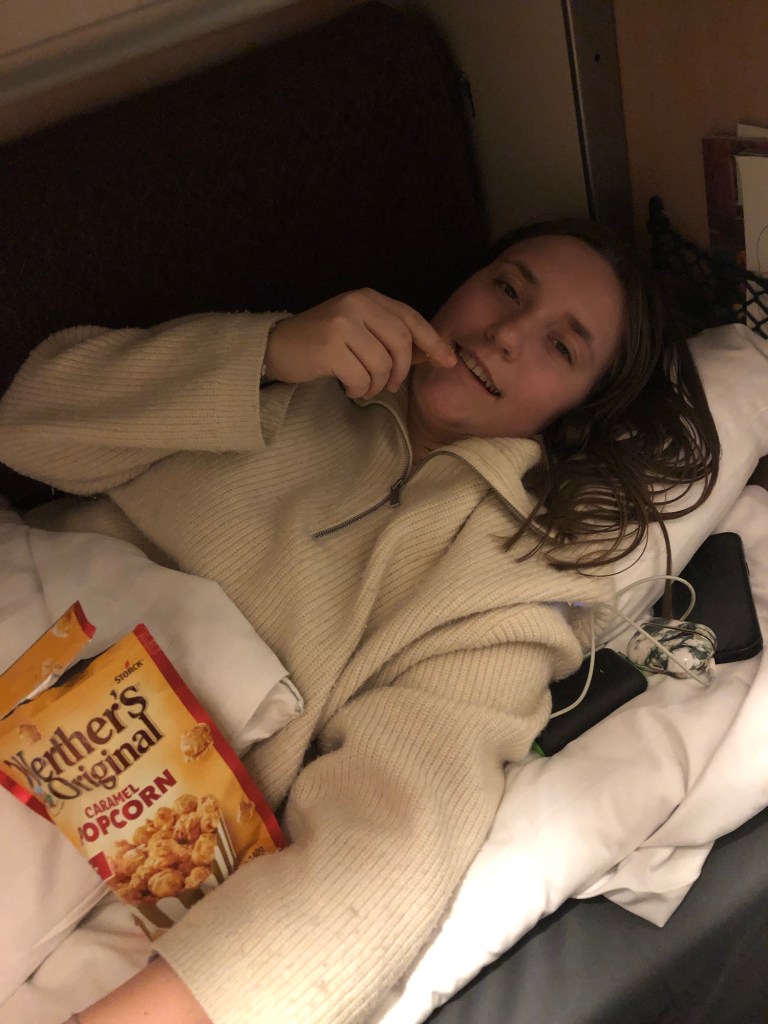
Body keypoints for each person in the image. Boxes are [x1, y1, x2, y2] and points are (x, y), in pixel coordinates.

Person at [0, 219, 718, 1024]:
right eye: (508, 287)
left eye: (561, 346)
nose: (507, 332)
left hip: (95, 798)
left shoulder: (510, 574)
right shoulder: (298, 375)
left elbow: (385, 845)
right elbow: (26, 423)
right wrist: (265, 353)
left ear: (579, 412)